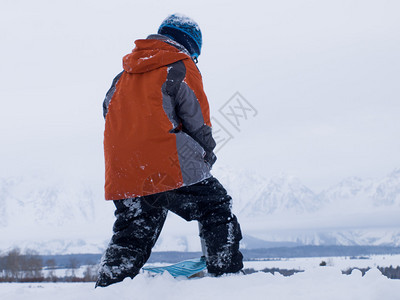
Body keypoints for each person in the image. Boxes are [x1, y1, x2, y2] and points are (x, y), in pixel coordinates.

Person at [96, 13, 243, 287]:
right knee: (215, 206)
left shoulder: (123, 75)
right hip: (168, 159)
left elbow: (107, 110)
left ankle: (110, 288)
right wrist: (205, 157)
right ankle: (227, 280)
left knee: (133, 233)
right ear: (189, 45)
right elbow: (197, 121)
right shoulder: (180, 65)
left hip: (123, 171)